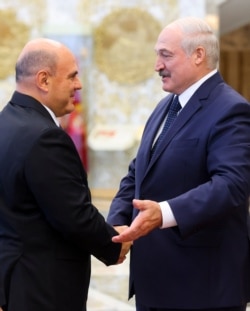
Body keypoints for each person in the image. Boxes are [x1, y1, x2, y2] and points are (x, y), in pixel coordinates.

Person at [107, 16, 250, 311]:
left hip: (201, 289)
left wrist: (164, 213)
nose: (157, 65)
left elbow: (231, 185)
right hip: (154, 285)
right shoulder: (166, 106)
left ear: (198, 55)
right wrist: (118, 219)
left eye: (165, 55)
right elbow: (139, 170)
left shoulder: (231, 110)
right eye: (157, 55)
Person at [0, 38, 131, 311]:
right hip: (42, 289)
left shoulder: (7, 122)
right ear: (44, 80)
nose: (79, 85)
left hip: (14, 280)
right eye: (72, 76)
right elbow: (74, 216)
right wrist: (114, 243)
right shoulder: (45, 137)